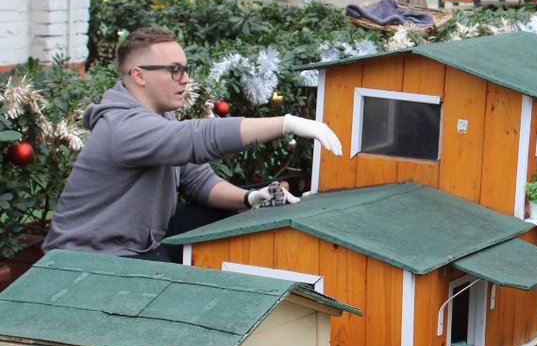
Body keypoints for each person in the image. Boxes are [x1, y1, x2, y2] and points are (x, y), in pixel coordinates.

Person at [44, 26, 342, 260]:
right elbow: (196, 138)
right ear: (139, 76)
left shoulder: (161, 118)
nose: (185, 79)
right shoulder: (123, 127)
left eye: (185, 69)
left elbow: (198, 181)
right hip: (87, 259)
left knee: (220, 219)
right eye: (174, 70)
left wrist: (250, 199)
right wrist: (286, 123)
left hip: (135, 245)